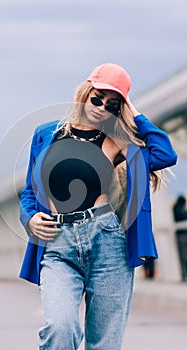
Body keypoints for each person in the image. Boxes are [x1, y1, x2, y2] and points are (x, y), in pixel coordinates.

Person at [19, 63, 177, 350]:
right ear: (85, 92)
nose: (102, 107)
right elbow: (30, 192)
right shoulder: (46, 134)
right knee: (60, 329)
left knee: (104, 344)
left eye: (112, 104)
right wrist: (29, 219)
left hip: (107, 242)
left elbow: (164, 154)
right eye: (97, 98)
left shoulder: (117, 141)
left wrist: (134, 113)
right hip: (58, 243)